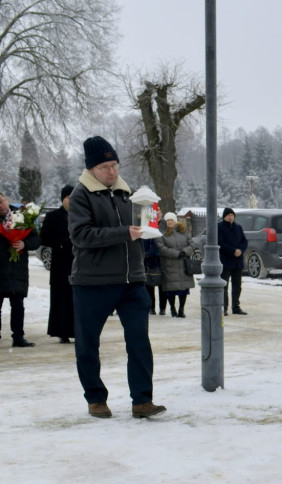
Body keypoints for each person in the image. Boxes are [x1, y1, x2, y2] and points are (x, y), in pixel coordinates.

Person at [68, 135, 165, 419]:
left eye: (114, 165)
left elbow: (141, 226)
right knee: (88, 344)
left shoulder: (128, 193)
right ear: (91, 169)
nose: (111, 172)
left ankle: (142, 401)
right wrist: (125, 233)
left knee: (139, 341)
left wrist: (151, 222)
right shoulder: (81, 195)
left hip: (132, 281)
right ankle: (96, 399)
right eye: (104, 167)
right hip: (92, 281)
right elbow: (81, 235)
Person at [0, 192, 41, 347]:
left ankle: (18, 337)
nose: (1, 206)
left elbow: (36, 239)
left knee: (18, 304)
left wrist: (24, 244)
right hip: (1, 268)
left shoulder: (22, 216)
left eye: (2, 201)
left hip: (17, 268)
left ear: (6, 200)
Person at [39, 185, 76, 343]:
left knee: (76, 300)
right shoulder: (53, 216)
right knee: (61, 300)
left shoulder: (82, 215)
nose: (70, 200)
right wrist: (61, 243)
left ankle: (78, 331)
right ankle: (62, 332)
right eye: (68, 197)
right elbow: (44, 238)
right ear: (63, 199)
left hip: (78, 264)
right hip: (61, 264)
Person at [157, 212, 195, 317]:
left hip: (183, 265)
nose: (170, 222)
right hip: (169, 265)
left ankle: (181, 309)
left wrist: (185, 252)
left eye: (171, 220)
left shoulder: (183, 231)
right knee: (171, 289)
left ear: (175, 221)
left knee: (183, 289)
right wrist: (176, 254)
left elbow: (192, 245)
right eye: (168, 220)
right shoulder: (162, 233)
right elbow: (161, 248)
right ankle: (172, 308)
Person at [219, 208, 247, 315]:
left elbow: (244, 241)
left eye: (232, 215)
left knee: (237, 286)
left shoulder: (238, 227)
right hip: (225, 261)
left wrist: (240, 250)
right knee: (224, 285)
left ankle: (236, 307)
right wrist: (232, 251)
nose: (230, 217)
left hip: (237, 261)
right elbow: (220, 243)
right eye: (228, 215)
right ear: (224, 216)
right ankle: (224, 307)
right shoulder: (220, 227)